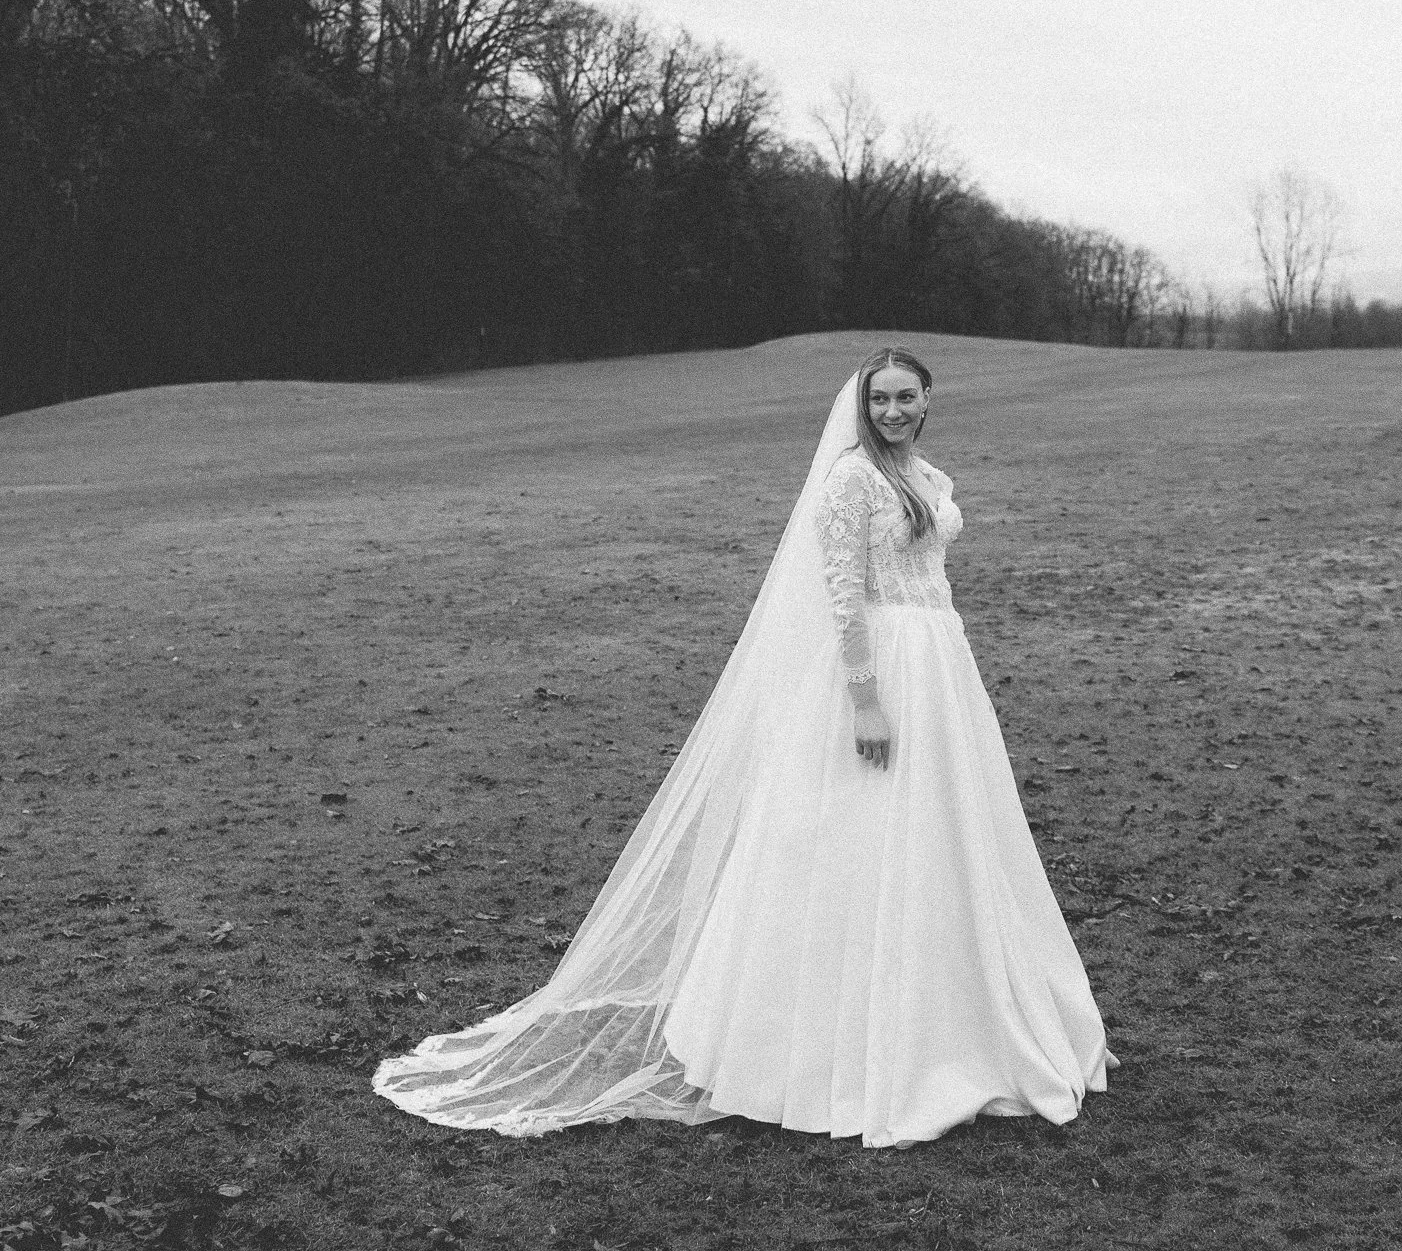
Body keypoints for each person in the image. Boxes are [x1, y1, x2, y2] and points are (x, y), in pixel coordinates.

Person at [374, 346, 1115, 1148]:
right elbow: (843, 594)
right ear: (862, 407)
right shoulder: (850, 481)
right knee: (857, 835)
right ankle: (823, 1043)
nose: (893, 412)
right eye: (880, 401)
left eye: (906, 398)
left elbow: (926, 573)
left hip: (941, 671)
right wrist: (867, 701)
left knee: (945, 835)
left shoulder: (928, 477)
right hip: (882, 673)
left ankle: (958, 1010)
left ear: (928, 399)